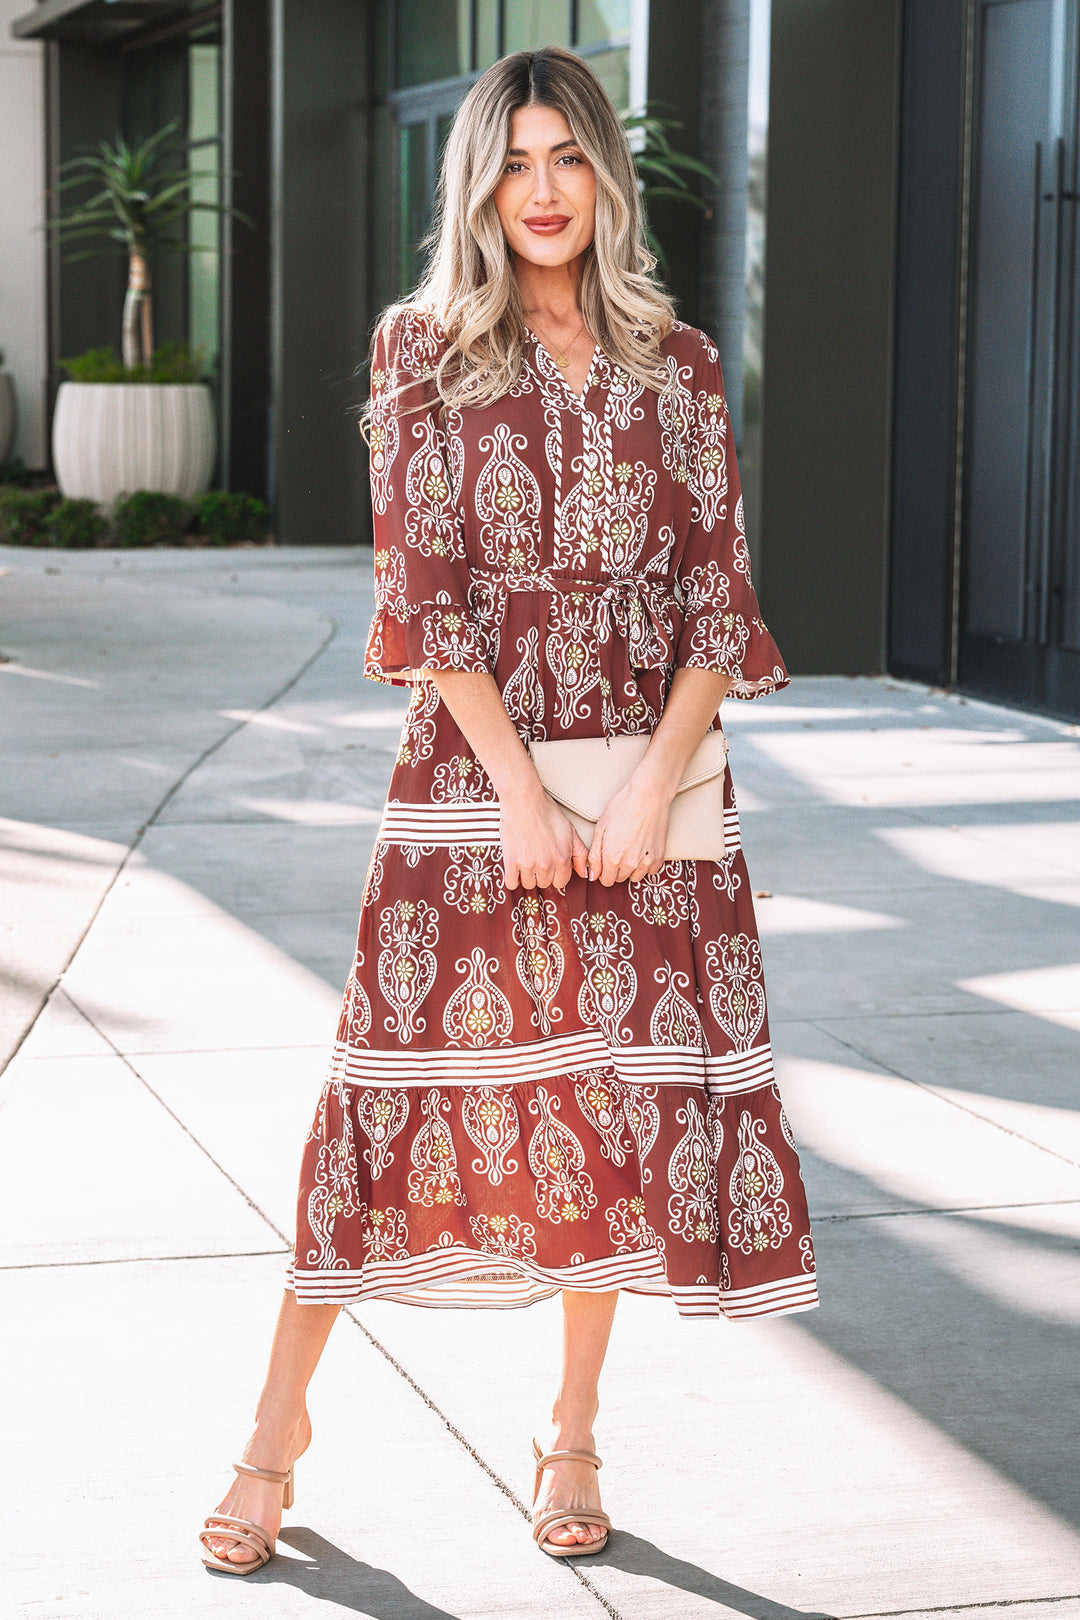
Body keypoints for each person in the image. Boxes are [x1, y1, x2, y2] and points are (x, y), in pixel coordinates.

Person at [200, 43, 817, 1575]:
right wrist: (524, 798)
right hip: (472, 786)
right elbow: (420, 592)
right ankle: (275, 1435)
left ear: (606, 174)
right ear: (478, 185)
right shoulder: (420, 349)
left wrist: (654, 782)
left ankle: (575, 1431)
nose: (544, 192)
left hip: (643, 790)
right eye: (514, 163)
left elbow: (712, 597)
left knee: (604, 1109)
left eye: (567, 159)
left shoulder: (679, 366)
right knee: (385, 1105)